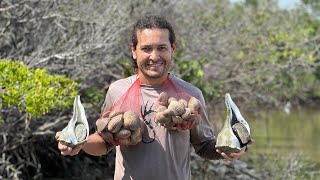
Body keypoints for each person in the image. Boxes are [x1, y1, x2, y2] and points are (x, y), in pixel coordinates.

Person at [56, 14, 254, 180]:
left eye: (161, 48)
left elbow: (204, 145)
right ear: (134, 51)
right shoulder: (117, 90)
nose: (154, 56)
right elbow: (104, 142)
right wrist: (80, 144)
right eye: (146, 48)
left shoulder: (191, 95)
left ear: (172, 49)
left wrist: (231, 148)